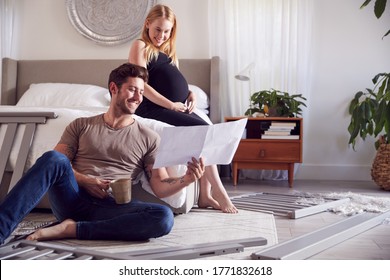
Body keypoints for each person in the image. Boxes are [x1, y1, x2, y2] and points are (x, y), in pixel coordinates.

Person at [0, 63, 205, 245]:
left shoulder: (150, 137)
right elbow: (57, 165)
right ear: (114, 88)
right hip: (72, 198)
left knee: (163, 217)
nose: (138, 98)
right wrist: (84, 180)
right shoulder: (81, 125)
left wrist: (186, 179)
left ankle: (73, 229)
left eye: (141, 92)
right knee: (52, 157)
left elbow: (160, 186)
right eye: (132, 90)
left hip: (111, 207)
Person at [128, 4, 238, 213]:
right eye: (157, 29)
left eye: (166, 31)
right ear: (147, 24)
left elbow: (173, 82)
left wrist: (190, 94)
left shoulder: (165, 53)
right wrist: (171, 105)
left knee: (206, 127)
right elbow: (141, 84)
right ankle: (218, 191)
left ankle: (204, 195)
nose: (161, 35)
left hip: (174, 107)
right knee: (203, 130)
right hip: (151, 109)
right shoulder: (139, 45)